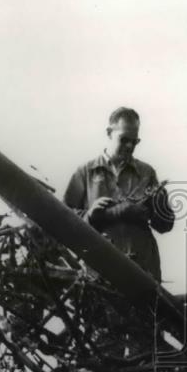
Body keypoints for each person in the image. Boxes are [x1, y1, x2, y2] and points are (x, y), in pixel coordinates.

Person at [63, 107, 175, 283]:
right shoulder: (85, 172)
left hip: (144, 270)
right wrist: (90, 215)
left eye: (134, 141)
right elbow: (63, 222)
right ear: (109, 133)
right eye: (124, 140)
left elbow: (164, 225)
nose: (130, 146)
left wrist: (160, 207)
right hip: (99, 273)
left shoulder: (147, 172)